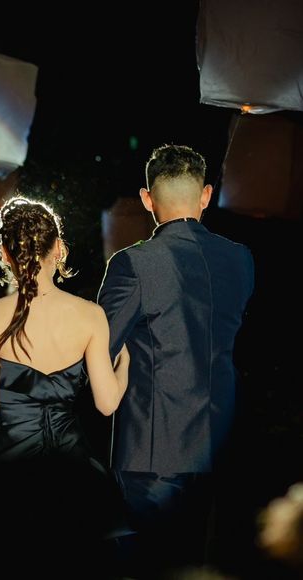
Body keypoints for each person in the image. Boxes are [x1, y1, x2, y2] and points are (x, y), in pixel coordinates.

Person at [97, 144, 255, 576]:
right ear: (206, 195)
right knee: (195, 566)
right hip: (220, 445)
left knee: (143, 566)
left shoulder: (133, 264)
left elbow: (100, 348)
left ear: (147, 199)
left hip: (152, 448)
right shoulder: (241, 259)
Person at [0, 196, 132, 563]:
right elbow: (107, 404)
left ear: (4, 254)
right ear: (58, 248)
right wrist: (125, 364)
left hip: (8, 470)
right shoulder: (90, 315)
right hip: (70, 469)